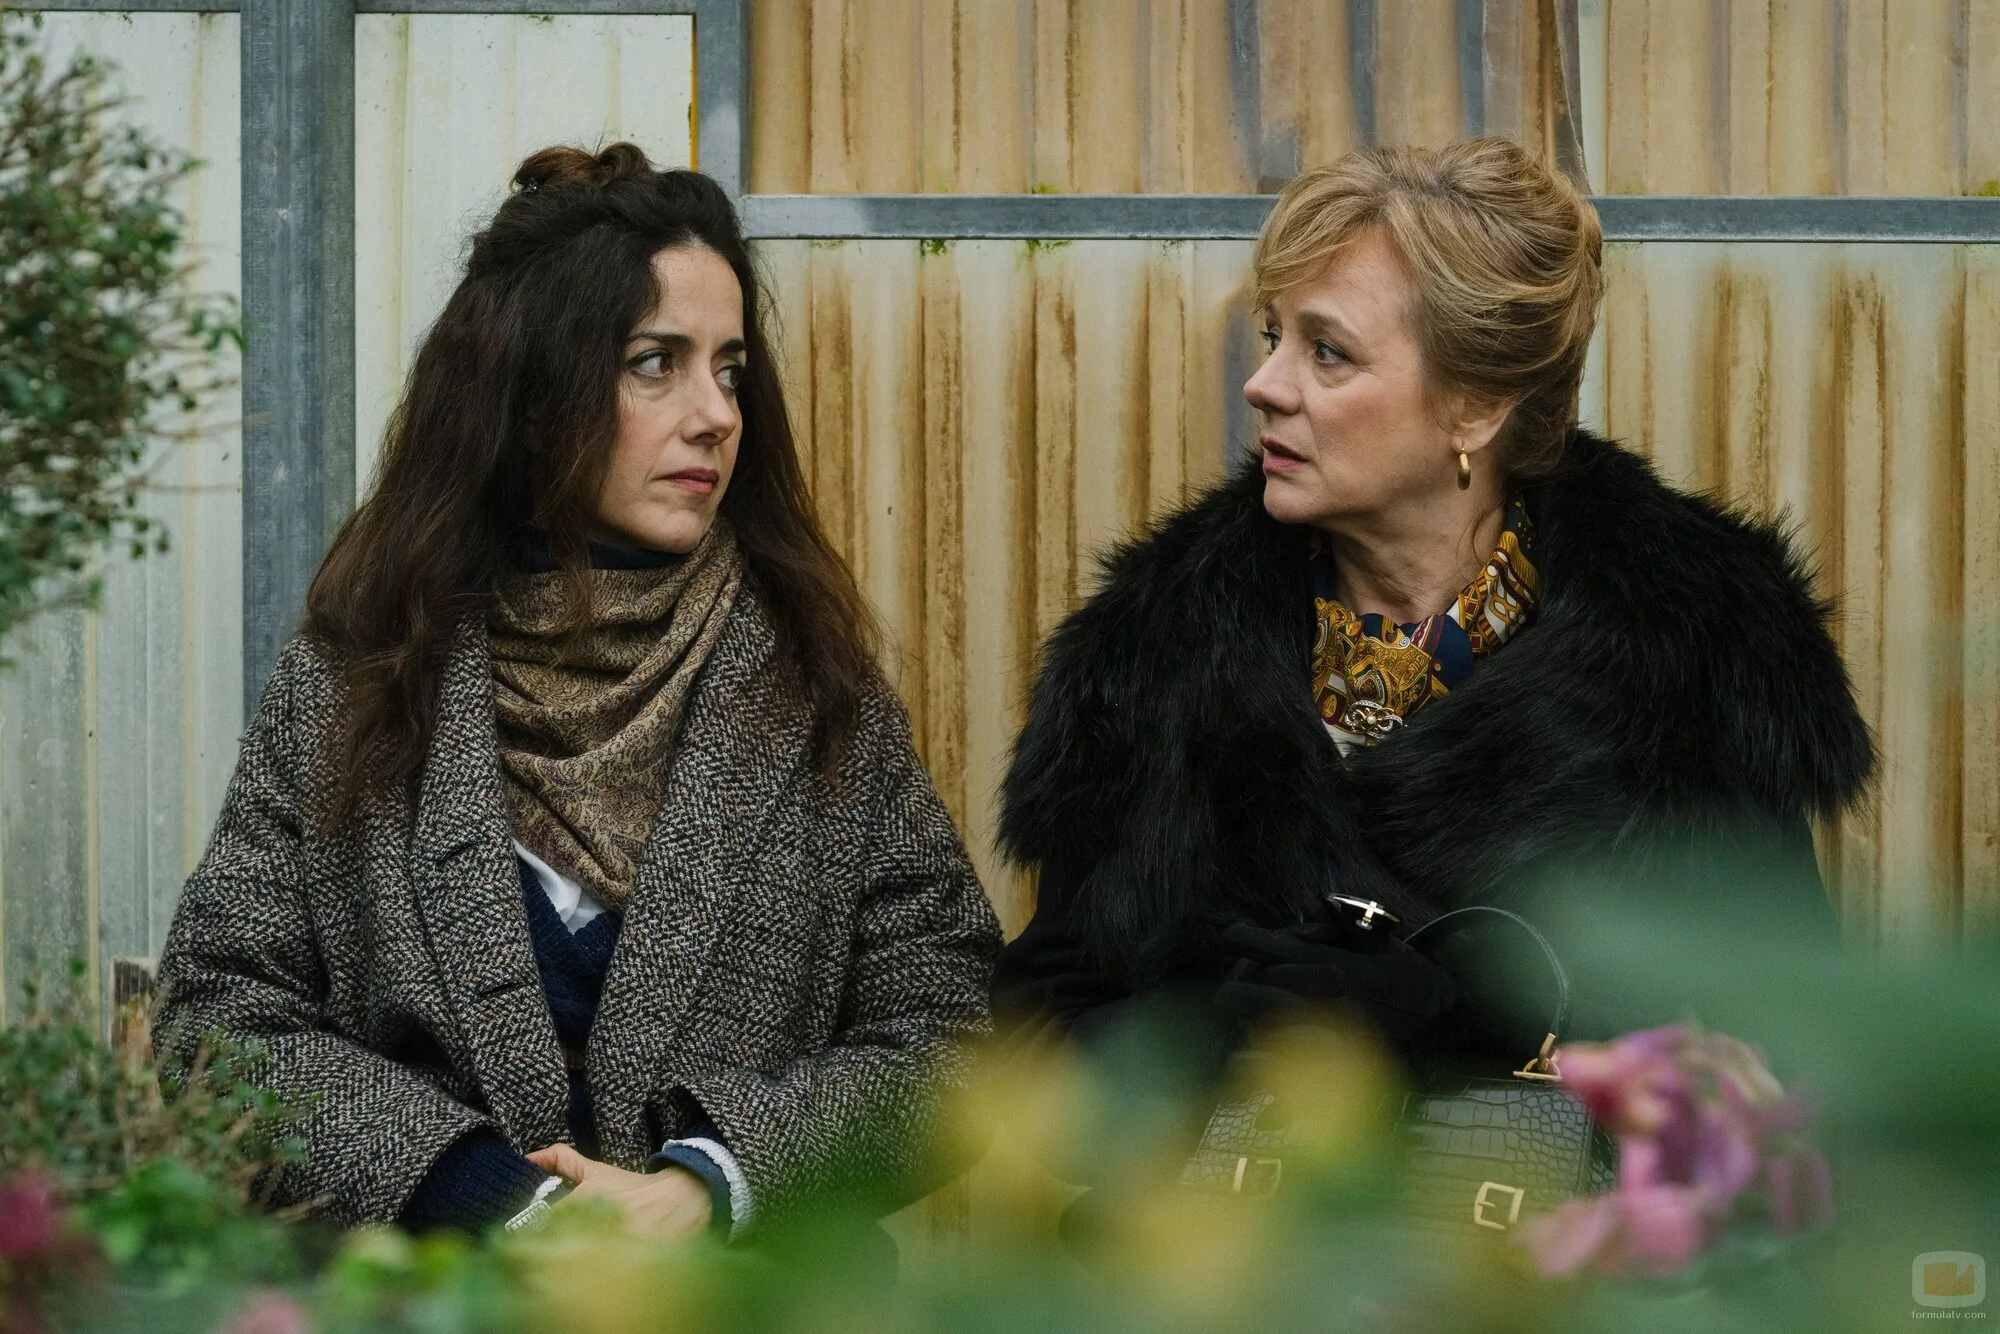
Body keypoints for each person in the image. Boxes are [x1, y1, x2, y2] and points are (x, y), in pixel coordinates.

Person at [154, 144, 1000, 1246]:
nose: (715, 413)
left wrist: (705, 1186)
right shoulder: (362, 675)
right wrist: (485, 1199)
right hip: (417, 1301)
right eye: (656, 363)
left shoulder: (813, 685)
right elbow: (218, 1021)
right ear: (532, 394)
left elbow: (952, 1030)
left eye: (729, 369)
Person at [993, 137, 1874, 1102]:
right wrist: (1214, 1034)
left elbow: (1781, 1066)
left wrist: (1462, 1030)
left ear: (1475, 408)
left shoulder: (1694, 652)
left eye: (1327, 351)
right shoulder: (1154, 649)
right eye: (1274, 335)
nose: (1265, 384)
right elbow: (1042, 1026)